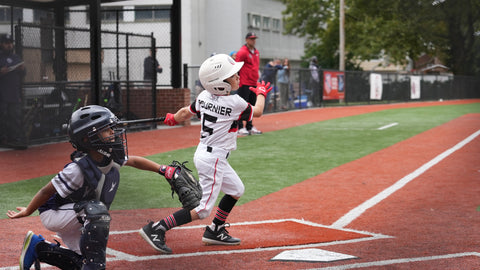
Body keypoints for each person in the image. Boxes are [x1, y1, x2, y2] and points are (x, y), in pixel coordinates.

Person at [7, 105, 178, 270]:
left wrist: (163, 169)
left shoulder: (109, 156)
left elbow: (133, 160)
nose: (113, 132)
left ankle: (37, 247)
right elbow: (47, 191)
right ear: (87, 139)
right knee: (97, 214)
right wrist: (29, 210)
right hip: (55, 213)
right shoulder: (77, 169)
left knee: (82, 261)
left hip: (78, 212)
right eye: (107, 129)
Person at [139, 53, 272, 254]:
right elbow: (259, 111)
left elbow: (185, 112)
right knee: (202, 210)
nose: (237, 76)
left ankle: (215, 230)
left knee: (236, 189)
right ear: (220, 83)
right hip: (214, 158)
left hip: (206, 153)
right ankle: (157, 228)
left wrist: (172, 118)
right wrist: (261, 92)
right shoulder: (234, 103)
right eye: (232, 75)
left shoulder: (203, 96)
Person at [0, 33, 27, 150]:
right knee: (3, 117)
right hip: (2, 93)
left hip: (14, 93)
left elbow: (23, 74)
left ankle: (14, 139)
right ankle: (3, 138)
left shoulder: (16, 57)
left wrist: (22, 69)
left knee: (15, 116)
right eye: (7, 43)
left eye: (11, 43)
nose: (9, 45)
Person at [235, 32, 261, 135]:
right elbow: (237, 66)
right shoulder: (242, 52)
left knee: (252, 105)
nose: (253, 41)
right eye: (251, 39)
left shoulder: (256, 52)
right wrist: (237, 80)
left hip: (253, 82)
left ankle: (249, 126)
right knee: (242, 105)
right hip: (244, 83)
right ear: (246, 40)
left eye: (254, 39)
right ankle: (240, 127)